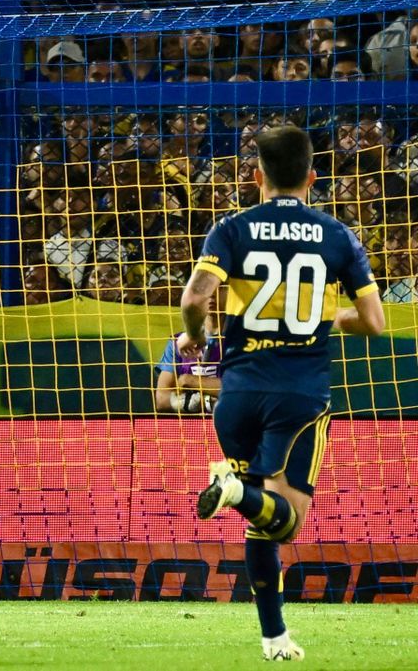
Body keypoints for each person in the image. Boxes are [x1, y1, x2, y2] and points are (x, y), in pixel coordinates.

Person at [178, 124, 385, 661]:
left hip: (237, 395)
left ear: (256, 177)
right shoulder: (337, 235)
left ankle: (274, 637)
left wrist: (197, 339)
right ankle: (231, 492)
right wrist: (337, 317)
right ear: (313, 177)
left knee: (263, 521)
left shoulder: (231, 228)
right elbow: (375, 320)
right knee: (285, 522)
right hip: (299, 395)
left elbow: (195, 299)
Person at [154, 303, 221, 413]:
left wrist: (191, 381)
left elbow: (242, 391)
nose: (212, 295)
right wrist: (205, 401)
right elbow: (161, 400)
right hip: (190, 427)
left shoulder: (241, 343)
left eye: (220, 288)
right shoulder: (176, 343)